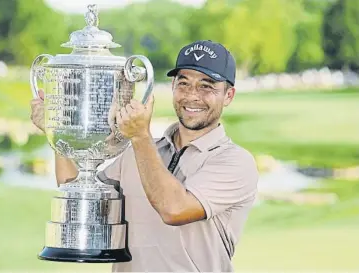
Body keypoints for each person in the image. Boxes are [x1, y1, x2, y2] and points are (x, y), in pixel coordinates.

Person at [30, 40, 259, 272]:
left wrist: (140, 136)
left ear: (228, 95)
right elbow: (79, 194)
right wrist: (57, 133)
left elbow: (174, 209)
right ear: (172, 86)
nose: (192, 95)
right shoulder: (138, 154)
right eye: (184, 83)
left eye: (206, 86)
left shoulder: (235, 162)